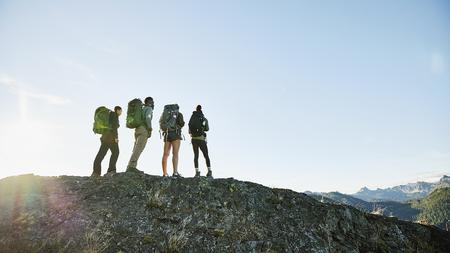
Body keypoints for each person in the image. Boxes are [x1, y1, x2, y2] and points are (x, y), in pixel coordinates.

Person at [92, 106, 122, 177]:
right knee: (116, 152)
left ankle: (96, 172)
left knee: (100, 155)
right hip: (111, 137)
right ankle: (111, 170)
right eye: (120, 111)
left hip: (104, 137)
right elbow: (114, 127)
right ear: (117, 110)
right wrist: (116, 138)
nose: (121, 113)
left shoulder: (109, 114)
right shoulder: (114, 115)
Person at [127, 97, 154, 173]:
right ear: (150, 102)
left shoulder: (141, 108)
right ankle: (131, 167)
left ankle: (130, 165)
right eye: (152, 102)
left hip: (137, 130)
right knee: (139, 148)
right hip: (143, 130)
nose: (153, 103)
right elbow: (147, 118)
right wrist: (150, 129)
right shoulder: (149, 108)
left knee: (136, 148)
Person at [160, 104, 185, 177]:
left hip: (167, 134)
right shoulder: (179, 114)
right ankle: (175, 173)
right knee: (175, 154)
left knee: (165, 154)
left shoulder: (165, 113)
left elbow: (161, 123)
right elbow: (181, 123)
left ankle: (164, 173)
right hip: (175, 134)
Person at [189, 105, 212, 178]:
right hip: (201, 139)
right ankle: (209, 171)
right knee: (206, 155)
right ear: (201, 110)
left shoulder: (192, 117)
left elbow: (189, 128)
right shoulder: (204, 118)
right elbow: (207, 129)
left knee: (196, 156)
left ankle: (197, 172)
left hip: (194, 139)